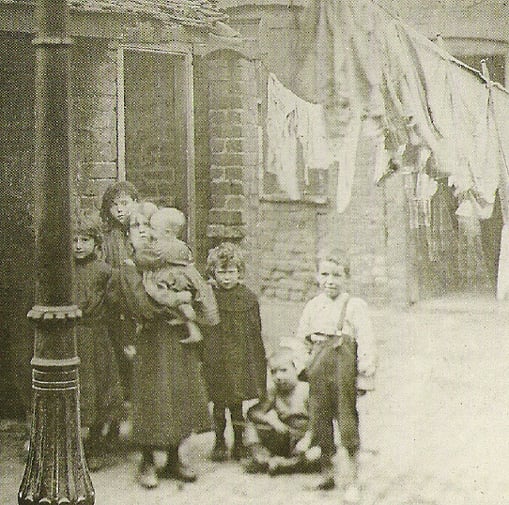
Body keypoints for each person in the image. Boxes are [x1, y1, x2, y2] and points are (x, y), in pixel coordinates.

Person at [118, 202, 211, 489]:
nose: (144, 234)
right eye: (137, 229)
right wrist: (176, 303)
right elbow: (142, 306)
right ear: (129, 234)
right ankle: (147, 459)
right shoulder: (131, 267)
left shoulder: (170, 262)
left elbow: (192, 289)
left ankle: (173, 457)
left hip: (175, 339)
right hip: (150, 339)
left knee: (177, 395)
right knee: (150, 398)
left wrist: (186, 302)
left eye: (149, 228)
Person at [295, 249, 376, 503]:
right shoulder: (313, 306)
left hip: (344, 370)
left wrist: (365, 373)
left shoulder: (354, 306)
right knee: (319, 419)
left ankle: (352, 479)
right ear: (317, 277)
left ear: (346, 277)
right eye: (325, 274)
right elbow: (302, 339)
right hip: (319, 369)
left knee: (347, 422)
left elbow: (366, 340)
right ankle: (327, 472)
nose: (330, 280)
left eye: (337, 275)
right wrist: (301, 364)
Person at [202, 242, 267, 462]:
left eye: (231, 272)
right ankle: (220, 441)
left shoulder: (248, 298)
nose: (227, 277)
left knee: (237, 405)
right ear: (214, 273)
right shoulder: (210, 297)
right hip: (217, 357)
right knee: (219, 403)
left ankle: (239, 443)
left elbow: (255, 331)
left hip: (239, 358)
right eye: (222, 272)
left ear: (239, 272)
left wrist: (254, 361)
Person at [73, 208, 123, 471]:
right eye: (74, 240)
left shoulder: (105, 272)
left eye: (84, 240)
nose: (79, 246)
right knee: (78, 390)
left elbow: (113, 306)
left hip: (98, 337)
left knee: (101, 388)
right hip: (72, 338)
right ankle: (74, 448)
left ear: (95, 243)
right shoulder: (64, 272)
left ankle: (95, 443)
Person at [136, 207, 219, 344]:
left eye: (153, 229)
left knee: (160, 291)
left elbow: (144, 257)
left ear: (167, 233)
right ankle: (192, 328)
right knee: (180, 299)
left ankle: (188, 323)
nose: (150, 232)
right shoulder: (180, 245)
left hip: (174, 278)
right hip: (184, 278)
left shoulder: (164, 247)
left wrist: (138, 248)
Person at [244, 347, 320, 475]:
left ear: (296, 369)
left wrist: (307, 438)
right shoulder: (273, 392)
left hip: (304, 439)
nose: (278, 376)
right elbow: (253, 413)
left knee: (316, 454)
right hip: (283, 438)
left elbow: (319, 420)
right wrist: (271, 420)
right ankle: (265, 459)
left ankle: (287, 465)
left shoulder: (306, 390)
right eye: (273, 372)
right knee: (251, 425)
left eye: (284, 370)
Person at [99, 181, 139, 405]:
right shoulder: (108, 237)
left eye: (124, 203)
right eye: (114, 205)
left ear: (135, 203)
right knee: (119, 347)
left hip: (138, 297)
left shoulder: (141, 229)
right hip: (116, 298)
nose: (120, 210)